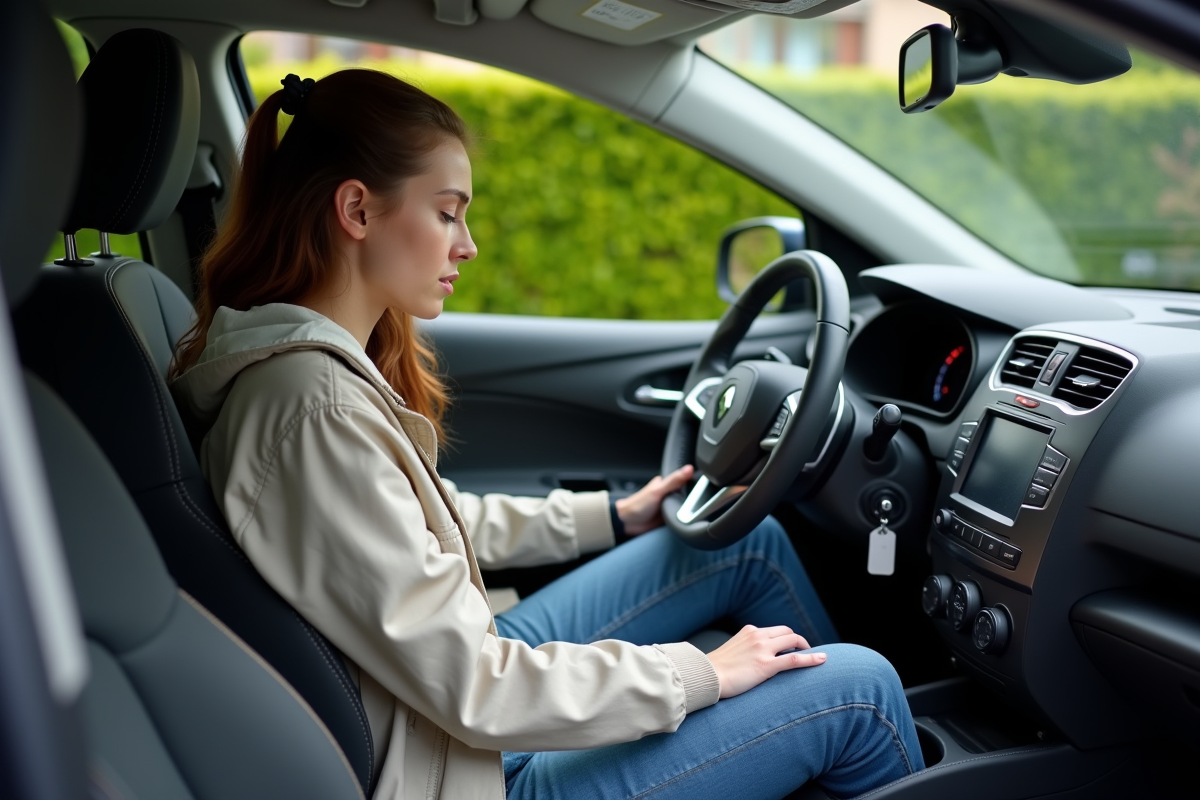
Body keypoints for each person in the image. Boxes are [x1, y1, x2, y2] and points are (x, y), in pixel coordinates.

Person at [169, 69, 923, 800]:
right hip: (465, 765)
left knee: (744, 543)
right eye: (446, 212)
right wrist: (705, 674)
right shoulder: (314, 408)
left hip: (450, 698)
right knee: (858, 688)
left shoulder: (314, 376)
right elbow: (474, 687)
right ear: (358, 211)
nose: (466, 245)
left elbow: (426, 530)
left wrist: (611, 517)